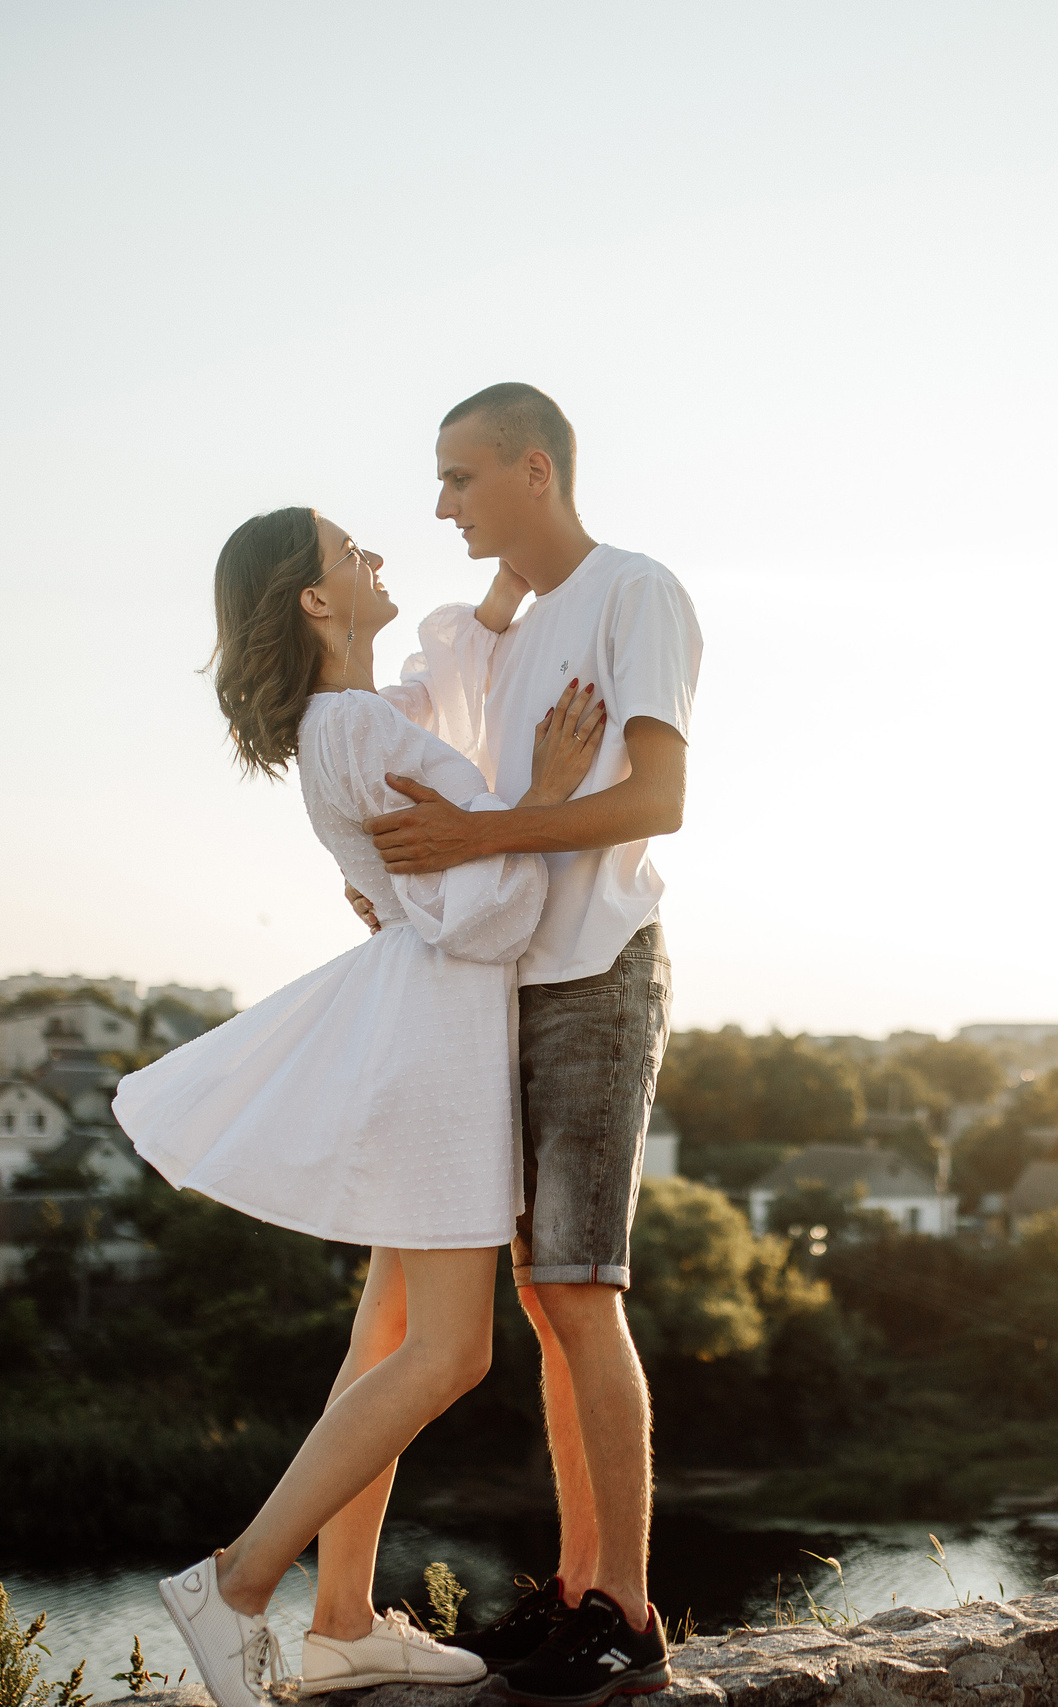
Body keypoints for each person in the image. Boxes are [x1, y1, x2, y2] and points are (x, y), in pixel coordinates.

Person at [119, 506, 609, 1707]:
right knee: (448, 1351)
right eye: (352, 553)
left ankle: (339, 1624)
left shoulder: (352, 718)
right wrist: (538, 804)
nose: (378, 558)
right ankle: (237, 1582)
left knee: (385, 1338)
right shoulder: (354, 729)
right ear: (314, 602)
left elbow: (438, 690)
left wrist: (500, 603)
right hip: (436, 1045)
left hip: (418, 1027)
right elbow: (480, 914)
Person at [356, 383, 701, 1707]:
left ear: (534, 469)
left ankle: (627, 1615)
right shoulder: (517, 627)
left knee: (578, 1289)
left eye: (460, 478)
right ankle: (578, 1597)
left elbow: (660, 797)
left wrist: (485, 837)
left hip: (596, 976)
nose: (441, 504)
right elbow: (463, 773)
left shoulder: (636, 590)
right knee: (549, 1302)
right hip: (508, 985)